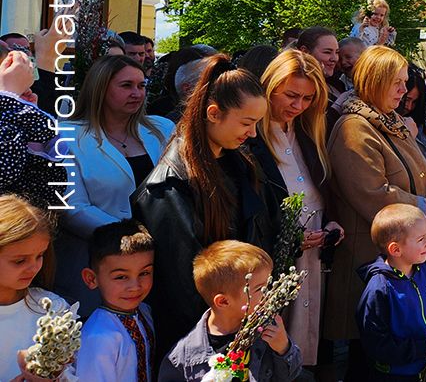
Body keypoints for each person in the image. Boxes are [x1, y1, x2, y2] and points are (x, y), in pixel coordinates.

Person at [132, 55, 276, 360]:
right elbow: (183, 283)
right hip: (203, 342)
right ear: (214, 113)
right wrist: (224, 331)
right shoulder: (169, 185)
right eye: (247, 123)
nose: (252, 134)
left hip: (238, 326)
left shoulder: (238, 162)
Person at [323, 46, 426, 375]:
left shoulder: (390, 121)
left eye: (405, 82)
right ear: (375, 81)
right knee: (370, 358)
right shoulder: (354, 127)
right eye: (396, 82)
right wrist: (424, 206)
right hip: (368, 257)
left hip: (401, 257)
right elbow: (371, 193)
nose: (404, 91)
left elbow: (421, 172)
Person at [244, 49, 342, 368]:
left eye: (308, 98)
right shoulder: (251, 137)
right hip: (273, 264)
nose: (298, 106)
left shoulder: (307, 131)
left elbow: (319, 193)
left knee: (306, 348)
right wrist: (286, 238)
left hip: (312, 261)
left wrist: (330, 225)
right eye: (290, 95)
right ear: (269, 86)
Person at [58, 56, 174, 315]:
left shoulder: (161, 129)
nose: (137, 93)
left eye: (142, 86)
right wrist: (131, 237)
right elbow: (71, 207)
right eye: (126, 86)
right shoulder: (68, 133)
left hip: (158, 262)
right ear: (100, 88)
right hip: (95, 265)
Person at [158, 241, 301, 382]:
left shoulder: (266, 330)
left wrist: (283, 348)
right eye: (260, 289)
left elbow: (290, 375)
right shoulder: (183, 358)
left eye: (269, 284)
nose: (269, 293)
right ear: (223, 302)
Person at [357, 204, 426, 381]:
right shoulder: (379, 289)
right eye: (421, 239)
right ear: (395, 249)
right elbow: (377, 345)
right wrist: (423, 349)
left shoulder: (425, 270)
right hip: (396, 375)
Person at [0, 194, 74, 382]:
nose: (34, 267)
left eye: (40, 255)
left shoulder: (54, 309)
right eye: (19, 260)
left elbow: (75, 373)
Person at [75, 220, 156, 382]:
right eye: (121, 277)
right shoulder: (98, 336)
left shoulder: (144, 311)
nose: (135, 286)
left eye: (144, 273)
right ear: (91, 279)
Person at [0, 50, 70, 209]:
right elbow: (5, 171)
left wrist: (24, 113)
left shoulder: (14, 114)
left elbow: (50, 189)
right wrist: (8, 99)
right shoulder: (8, 106)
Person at [295, 27, 344, 100]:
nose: (334, 59)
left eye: (337, 52)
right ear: (305, 52)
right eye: (327, 52)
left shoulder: (337, 83)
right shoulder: (296, 87)